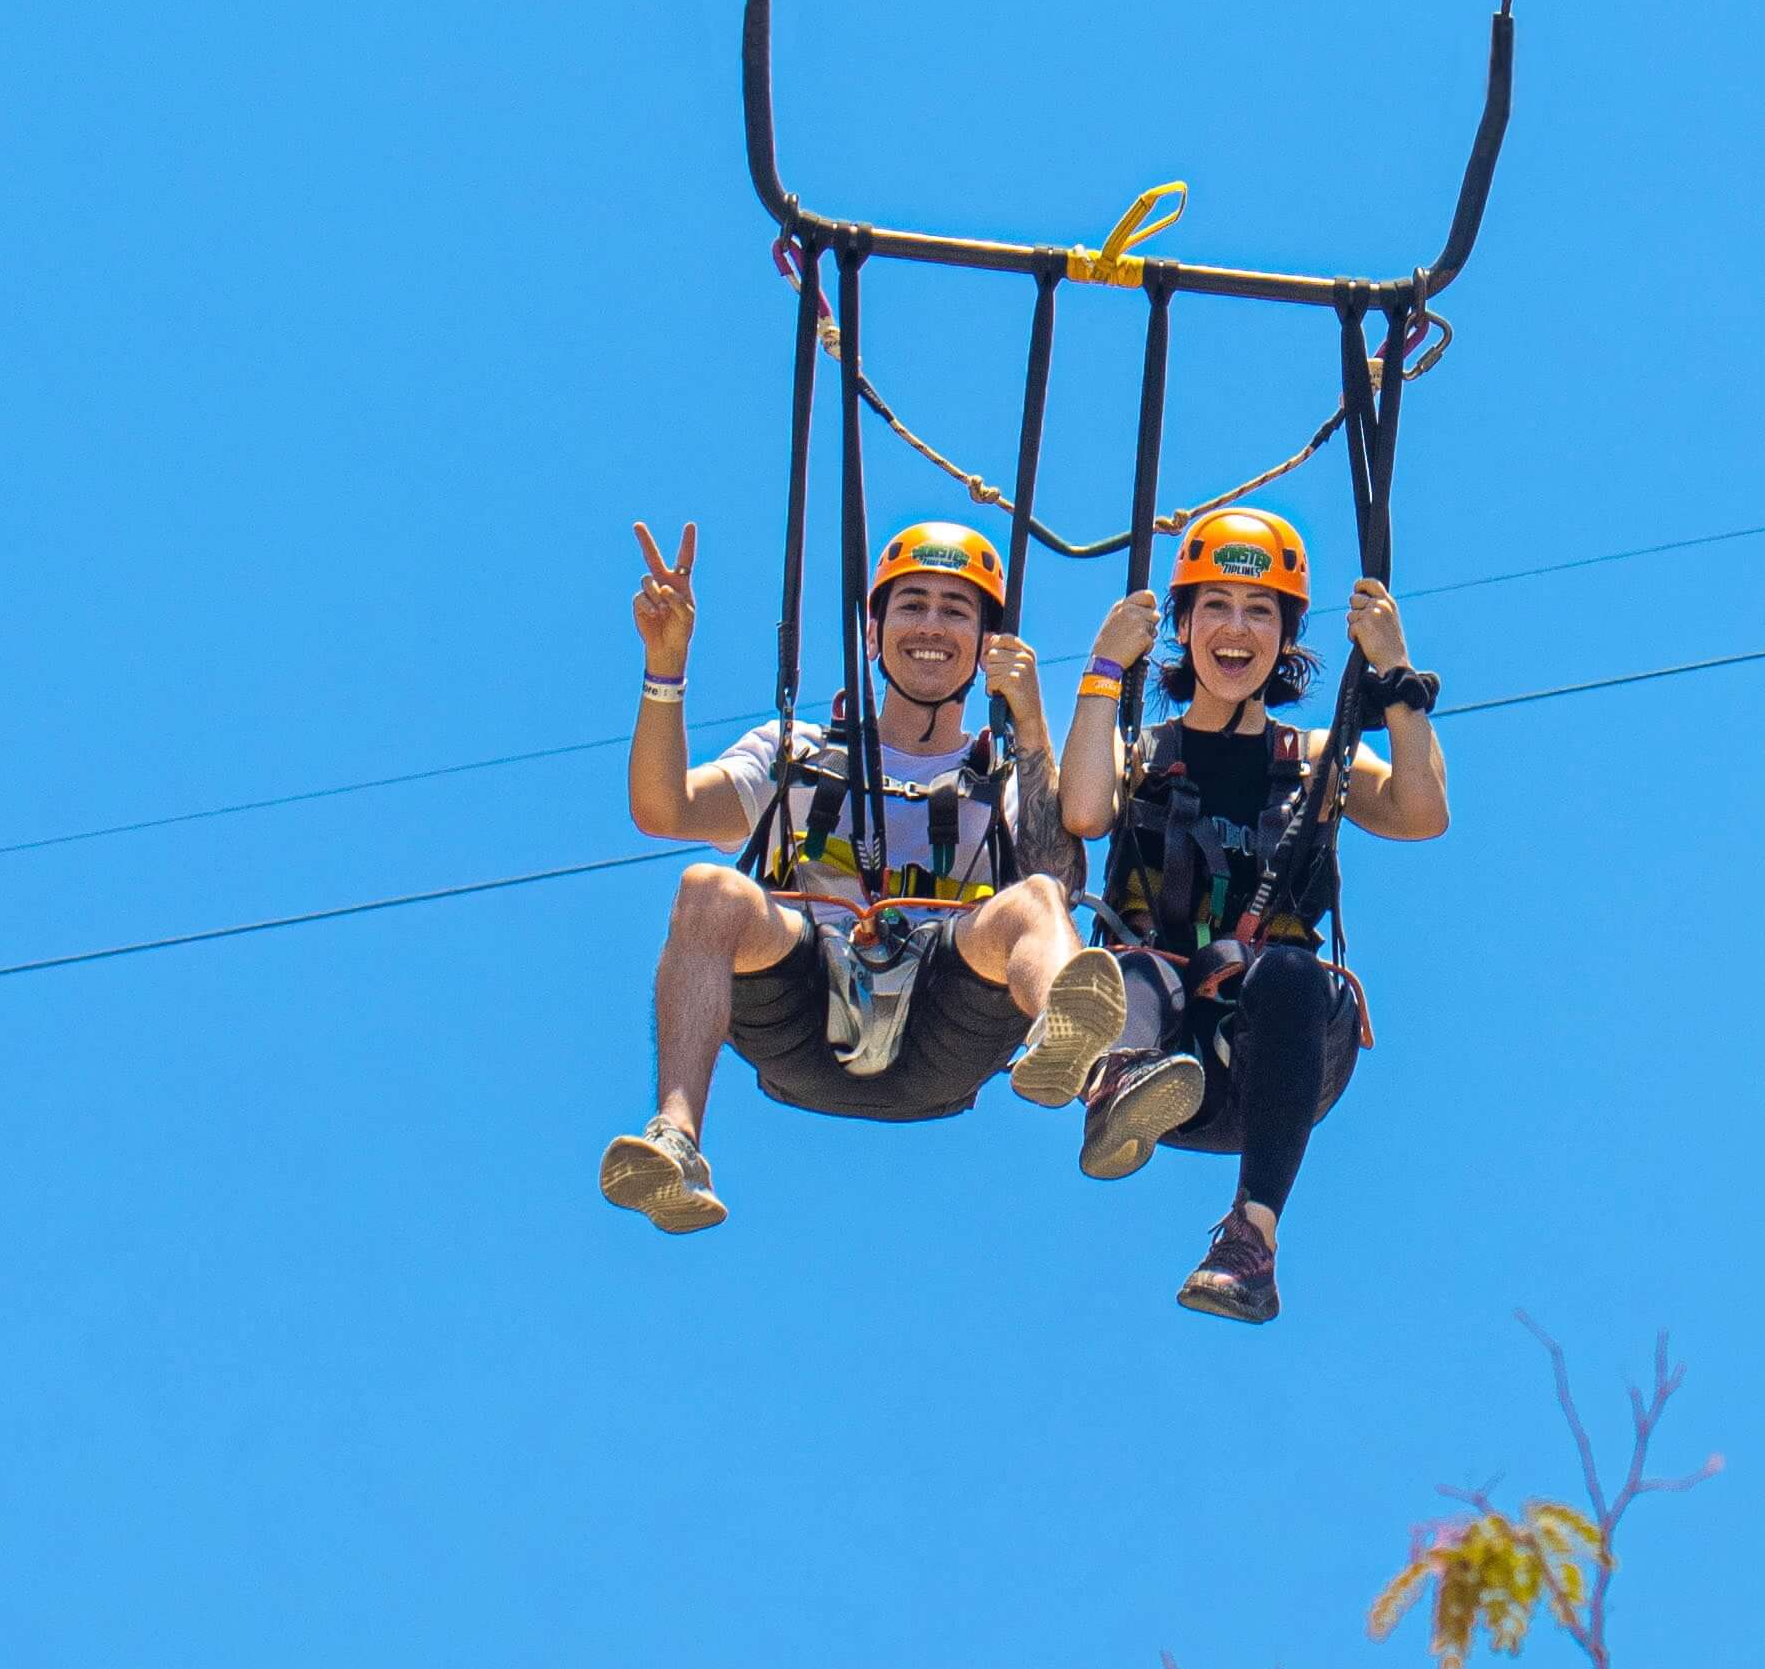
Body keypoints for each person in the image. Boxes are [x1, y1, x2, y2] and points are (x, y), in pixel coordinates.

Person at [598, 515, 1128, 1233]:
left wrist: (1032, 731)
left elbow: (1059, 886)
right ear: (874, 634)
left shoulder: (1002, 775)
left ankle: (1094, 1077)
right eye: (911, 605)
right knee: (707, 887)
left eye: (955, 610)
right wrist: (665, 667)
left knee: (1032, 899)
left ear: (984, 647)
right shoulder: (797, 755)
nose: (931, 625)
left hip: (945, 1026)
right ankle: (676, 1136)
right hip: (804, 1012)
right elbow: (664, 809)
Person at [1056, 504, 1449, 1324]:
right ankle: (1117, 1086)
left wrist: (1395, 675)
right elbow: (1086, 811)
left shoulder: (1313, 760)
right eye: (1217, 609)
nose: (1236, 632)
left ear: (1286, 636)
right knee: (1129, 967)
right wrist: (1103, 669)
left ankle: (1252, 1242)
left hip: (1280, 1048)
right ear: (1185, 625)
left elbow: (1423, 812)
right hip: (1166, 1046)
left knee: (1294, 973)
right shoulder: (1142, 756)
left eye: (1259, 612)